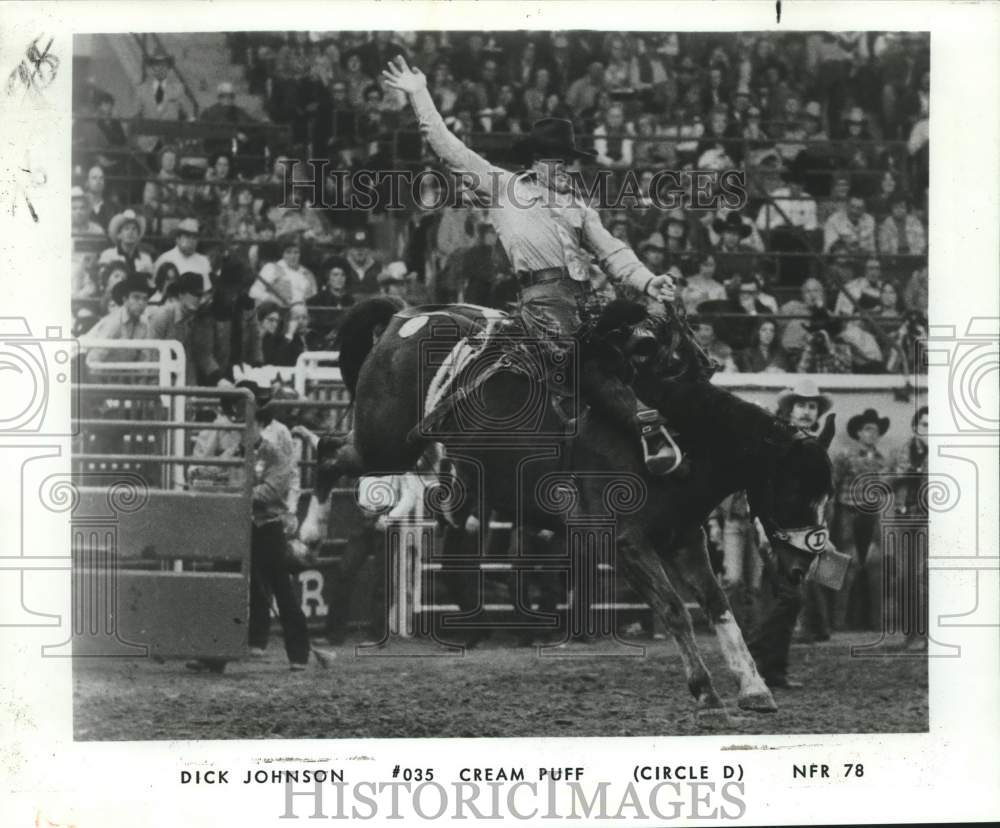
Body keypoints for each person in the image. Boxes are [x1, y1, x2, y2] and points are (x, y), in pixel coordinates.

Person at [382, 55, 680, 474]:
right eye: (561, 161)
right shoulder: (502, 188)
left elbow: (611, 251)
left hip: (589, 299)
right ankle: (646, 426)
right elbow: (448, 146)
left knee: (648, 340)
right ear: (540, 163)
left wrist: (650, 282)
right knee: (579, 356)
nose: (569, 169)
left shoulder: (578, 204)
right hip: (543, 304)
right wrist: (419, 94)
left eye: (570, 161)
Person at [748, 378, 833, 687]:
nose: (807, 411)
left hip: (802, 533)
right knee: (790, 597)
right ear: (790, 408)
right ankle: (754, 653)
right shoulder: (776, 440)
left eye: (812, 406)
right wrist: (760, 525)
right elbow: (759, 485)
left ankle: (772, 671)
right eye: (801, 405)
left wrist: (821, 535)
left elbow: (820, 496)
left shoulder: (815, 444)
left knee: (780, 598)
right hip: (775, 530)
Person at [834, 408, 891, 631]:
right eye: (867, 429)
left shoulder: (881, 460)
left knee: (874, 565)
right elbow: (833, 485)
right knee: (844, 565)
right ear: (858, 433)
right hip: (848, 513)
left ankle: (875, 623)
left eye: (875, 431)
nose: (872, 434)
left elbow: (886, 489)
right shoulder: (845, 456)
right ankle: (836, 622)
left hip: (871, 515)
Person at [888, 405, 929, 649]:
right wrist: (905, 472)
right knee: (904, 576)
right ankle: (910, 633)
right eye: (925, 425)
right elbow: (885, 483)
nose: (929, 431)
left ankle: (924, 634)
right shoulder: (901, 452)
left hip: (929, 519)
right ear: (915, 428)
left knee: (923, 576)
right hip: (904, 517)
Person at [82, 273, 154, 364]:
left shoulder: (144, 324)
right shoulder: (114, 322)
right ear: (125, 300)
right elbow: (94, 359)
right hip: (81, 360)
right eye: (136, 297)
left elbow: (144, 359)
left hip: (116, 372)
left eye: (145, 299)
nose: (141, 303)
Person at [250, 235, 318, 306]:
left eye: (296, 252)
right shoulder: (271, 268)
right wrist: (274, 300)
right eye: (288, 252)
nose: (292, 256)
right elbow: (254, 291)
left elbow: (314, 299)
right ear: (282, 253)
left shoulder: (308, 274)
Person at [153, 218, 213, 293]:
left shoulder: (204, 261)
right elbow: (156, 288)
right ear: (178, 239)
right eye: (187, 237)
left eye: (194, 238)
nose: (191, 241)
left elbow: (207, 289)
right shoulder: (165, 259)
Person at [98, 209, 155, 277]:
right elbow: (102, 279)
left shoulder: (146, 258)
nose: (130, 232)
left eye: (134, 229)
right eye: (126, 229)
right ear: (119, 235)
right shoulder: (108, 255)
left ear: (138, 235)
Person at [796, 308, 854, 374]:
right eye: (816, 332)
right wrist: (810, 348)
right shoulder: (812, 346)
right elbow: (801, 371)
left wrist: (830, 348)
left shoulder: (843, 347)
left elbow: (844, 371)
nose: (819, 337)